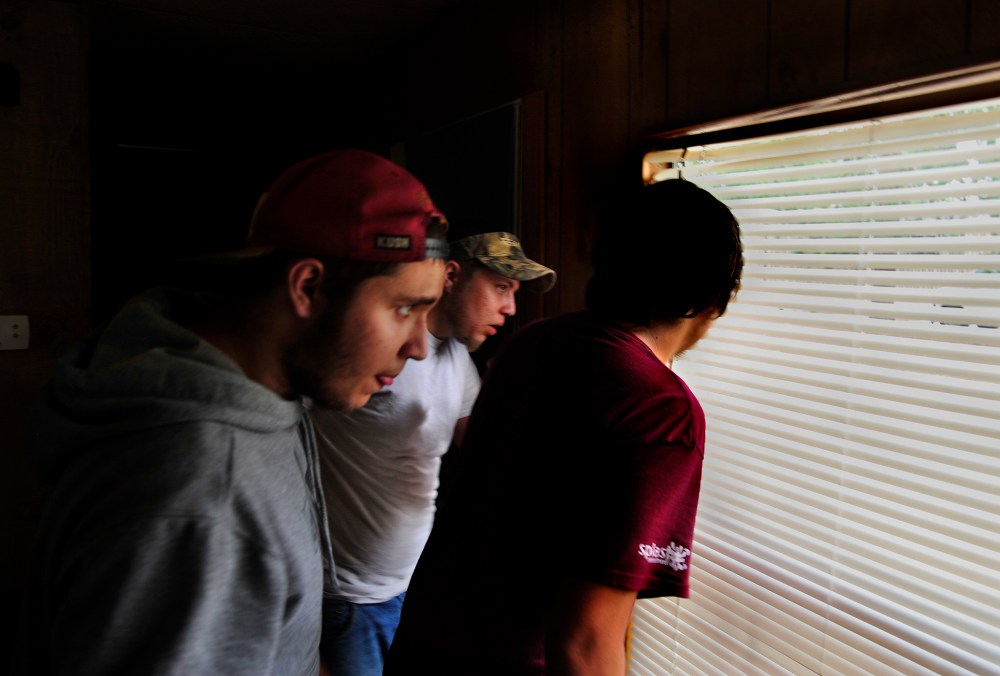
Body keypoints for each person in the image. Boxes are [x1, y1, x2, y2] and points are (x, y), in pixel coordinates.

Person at [10, 149, 451, 676]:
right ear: (307, 287)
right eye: (404, 308)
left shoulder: (261, 394)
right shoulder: (201, 497)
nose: (418, 348)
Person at [384, 178, 744, 676]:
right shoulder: (659, 409)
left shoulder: (537, 341)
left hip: (423, 644)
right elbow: (586, 642)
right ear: (713, 297)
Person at [311, 231, 555, 675]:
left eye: (514, 293)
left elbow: (489, 452)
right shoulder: (380, 343)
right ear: (452, 276)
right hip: (350, 594)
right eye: (500, 287)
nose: (509, 308)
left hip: (414, 584)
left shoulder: (456, 358)